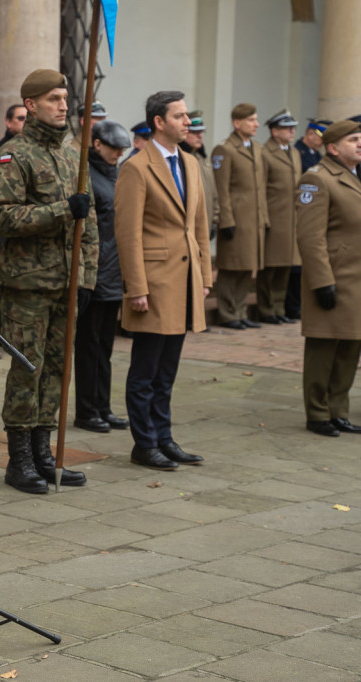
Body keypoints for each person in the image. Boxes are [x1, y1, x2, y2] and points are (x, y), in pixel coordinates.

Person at [0, 69, 96, 494]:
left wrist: (86, 278)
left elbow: (91, 224)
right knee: (27, 370)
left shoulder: (73, 154)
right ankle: (20, 460)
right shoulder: (13, 156)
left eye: (65, 98)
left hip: (67, 284)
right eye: (53, 98)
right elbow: (5, 217)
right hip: (27, 285)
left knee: (57, 370)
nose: (63, 105)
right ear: (30, 105)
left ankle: (44, 454)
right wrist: (62, 210)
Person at [114, 90, 212, 470]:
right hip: (154, 285)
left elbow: (199, 225)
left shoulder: (190, 163)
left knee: (167, 370)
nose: (188, 122)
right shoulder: (137, 168)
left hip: (184, 281)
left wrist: (204, 275)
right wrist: (136, 287)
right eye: (180, 116)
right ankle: (144, 443)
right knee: (146, 370)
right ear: (159, 122)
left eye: (187, 116)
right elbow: (128, 235)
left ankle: (164, 438)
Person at [295, 120, 361, 437]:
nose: (360, 143)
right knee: (324, 347)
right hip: (333, 276)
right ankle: (318, 413)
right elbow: (310, 237)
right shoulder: (317, 179)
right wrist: (322, 281)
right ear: (333, 148)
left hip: (355, 279)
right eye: (353, 139)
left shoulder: (353, 176)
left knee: (350, 345)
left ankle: (338, 411)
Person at [73, 120, 130, 433]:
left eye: (122, 149)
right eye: (114, 148)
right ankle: (87, 410)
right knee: (89, 346)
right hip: (94, 274)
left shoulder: (117, 174)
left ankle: (103, 406)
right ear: (97, 144)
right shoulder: (87, 175)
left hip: (115, 272)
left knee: (105, 347)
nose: (119, 153)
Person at [211, 103, 268, 330]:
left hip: (254, 220)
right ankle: (227, 313)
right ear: (237, 123)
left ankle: (241, 311)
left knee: (247, 267)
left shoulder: (257, 148)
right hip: (236, 219)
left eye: (256, 119)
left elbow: (261, 188)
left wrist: (264, 218)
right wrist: (226, 220)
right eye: (251, 120)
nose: (256, 124)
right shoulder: (225, 150)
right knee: (230, 268)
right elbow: (221, 189)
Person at [258, 109, 302, 325]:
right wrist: (264, 218)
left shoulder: (294, 153)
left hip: (292, 218)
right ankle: (266, 310)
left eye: (293, 128)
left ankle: (278, 308)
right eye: (287, 128)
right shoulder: (265, 153)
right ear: (275, 132)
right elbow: (261, 188)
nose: (292, 131)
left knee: (285, 266)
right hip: (275, 217)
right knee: (270, 267)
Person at [287, 117, 332, 321]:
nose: (322, 142)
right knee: (294, 265)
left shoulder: (317, 155)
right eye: (320, 137)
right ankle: (291, 305)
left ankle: (295, 305)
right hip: (299, 211)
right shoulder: (298, 152)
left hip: (311, 211)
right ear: (310, 133)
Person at [179, 110, 219, 241]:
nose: (200, 136)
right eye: (195, 132)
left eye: (201, 132)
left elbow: (213, 192)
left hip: (205, 226)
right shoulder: (180, 159)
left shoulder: (204, 159)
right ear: (185, 132)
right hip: (188, 229)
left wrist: (214, 220)